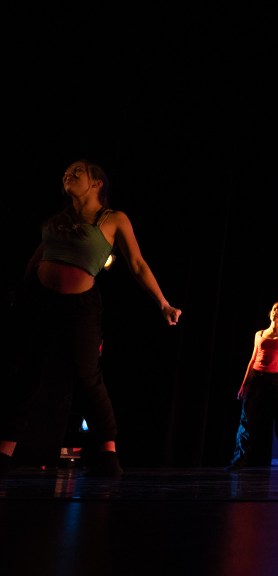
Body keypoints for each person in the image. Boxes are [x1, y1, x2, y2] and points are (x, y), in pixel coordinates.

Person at [0, 159, 181, 476]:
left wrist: (163, 303)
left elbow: (138, 264)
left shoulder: (113, 219)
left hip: (80, 308)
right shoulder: (58, 220)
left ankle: (108, 450)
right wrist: (22, 294)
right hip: (41, 303)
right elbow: (38, 257)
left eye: (77, 171)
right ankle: (4, 450)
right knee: (28, 373)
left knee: (87, 377)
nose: (68, 174)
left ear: (97, 183)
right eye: (66, 171)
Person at [227, 301, 278, 472]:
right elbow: (252, 360)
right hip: (256, 379)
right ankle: (238, 460)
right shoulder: (260, 334)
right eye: (273, 309)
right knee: (246, 420)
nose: (275, 312)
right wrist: (244, 385)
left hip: (275, 381)